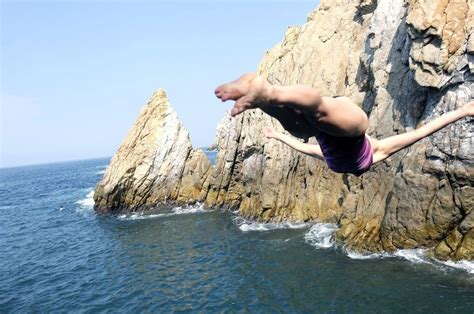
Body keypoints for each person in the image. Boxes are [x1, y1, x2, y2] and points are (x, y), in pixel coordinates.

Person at [215, 73, 474, 176]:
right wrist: (276, 136)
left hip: (351, 131)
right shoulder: (330, 158)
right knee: (304, 119)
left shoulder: (377, 152)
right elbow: (302, 147)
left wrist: (463, 110)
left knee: (319, 108)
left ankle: (267, 93)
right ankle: (266, 97)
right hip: (321, 140)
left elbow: (420, 133)